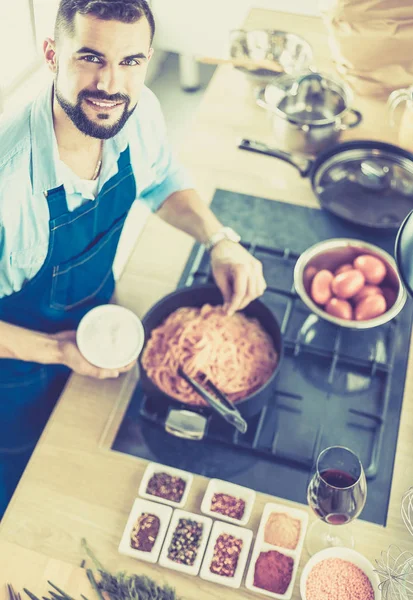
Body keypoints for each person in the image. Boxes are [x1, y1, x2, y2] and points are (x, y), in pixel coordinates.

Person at [0, 0, 266, 517]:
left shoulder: (135, 114)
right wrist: (56, 351)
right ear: (52, 54)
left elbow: (162, 179)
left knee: (88, 482)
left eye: (130, 62)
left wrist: (219, 239)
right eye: (91, 58)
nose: (111, 85)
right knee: (28, 495)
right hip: (14, 374)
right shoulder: (8, 182)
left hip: (96, 330)